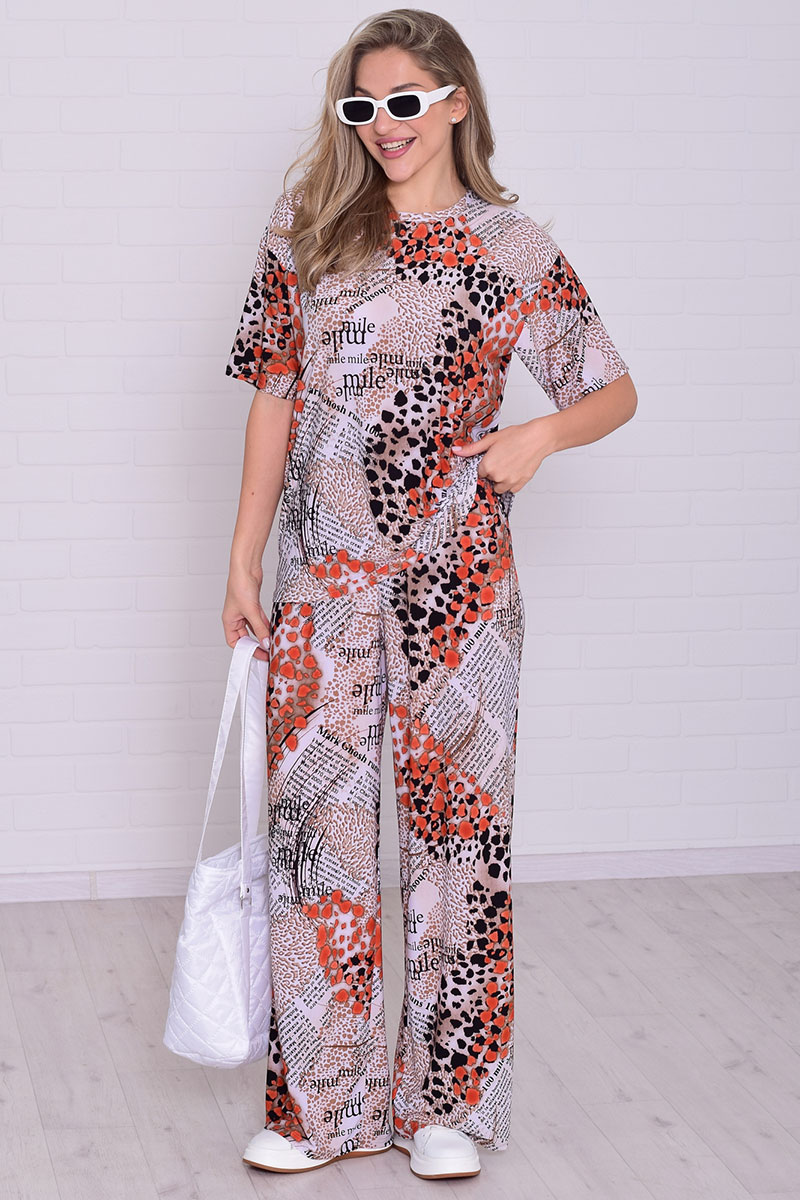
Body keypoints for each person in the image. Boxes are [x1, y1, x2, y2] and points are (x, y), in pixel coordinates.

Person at [221, 7, 637, 1183]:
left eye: (404, 101)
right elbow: (271, 397)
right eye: (361, 106)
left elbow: (611, 391)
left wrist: (538, 436)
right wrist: (241, 559)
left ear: (455, 101)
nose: (382, 124)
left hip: (462, 595)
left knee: (460, 845)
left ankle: (443, 1109)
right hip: (321, 587)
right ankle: (318, 1109)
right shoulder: (306, 229)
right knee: (318, 844)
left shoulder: (511, 246)